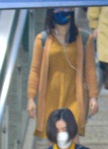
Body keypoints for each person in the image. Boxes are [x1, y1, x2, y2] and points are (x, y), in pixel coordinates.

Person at [27, 8, 99, 139]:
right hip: (50, 97)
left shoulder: (83, 39)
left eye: (66, 8)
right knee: (54, 139)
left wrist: (93, 96)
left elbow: (90, 70)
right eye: (58, 9)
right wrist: (31, 98)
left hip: (75, 96)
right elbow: (35, 70)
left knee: (73, 135)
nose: (62, 11)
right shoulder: (42, 40)